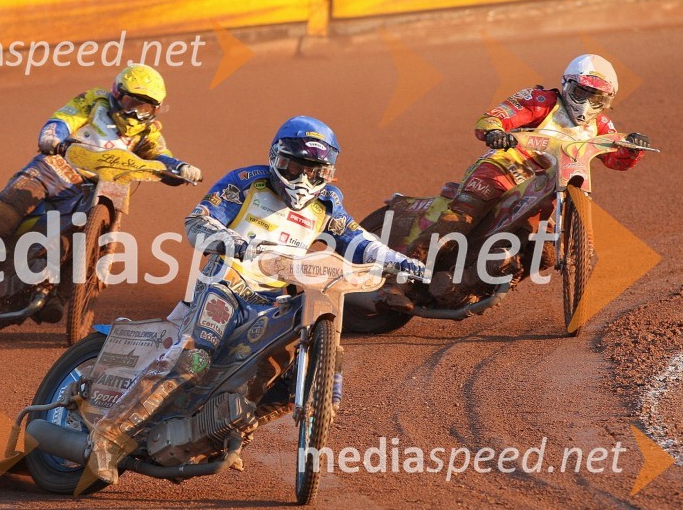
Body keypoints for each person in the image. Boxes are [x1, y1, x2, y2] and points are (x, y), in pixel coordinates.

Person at [86, 115, 427, 484]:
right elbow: (198, 220)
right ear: (275, 157)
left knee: (286, 374)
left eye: (314, 172)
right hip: (227, 283)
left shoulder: (327, 203)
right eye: (293, 167)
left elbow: (359, 240)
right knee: (194, 357)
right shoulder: (246, 182)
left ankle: (225, 429)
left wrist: (398, 260)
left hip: (275, 299)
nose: (302, 179)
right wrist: (228, 239)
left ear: (327, 173)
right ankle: (109, 437)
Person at [0, 64, 203, 326]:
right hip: (54, 170)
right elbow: (62, 119)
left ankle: (58, 295)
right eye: (132, 104)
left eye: (144, 108)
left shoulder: (149, 134)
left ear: (155, 110)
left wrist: (181, 168)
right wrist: (52, 137)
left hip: (100, 189)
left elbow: (162, 157)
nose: (135, 114)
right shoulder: (94, 102)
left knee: (94, 242)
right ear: (117, 95)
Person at [380, 54, 652, 311]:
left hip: (552, 184)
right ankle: (395, 283)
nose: (587, 104)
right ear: (567, 84)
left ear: (607, 100)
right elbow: (492, 118)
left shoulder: (602, 124)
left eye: (597, 98)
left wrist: (632, 148)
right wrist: (496, 131)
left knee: (544, 252)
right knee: (460, 219)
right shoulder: (541, 100)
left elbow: (617, 160)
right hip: (506, 167)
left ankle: (469, 283)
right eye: (582, 93)